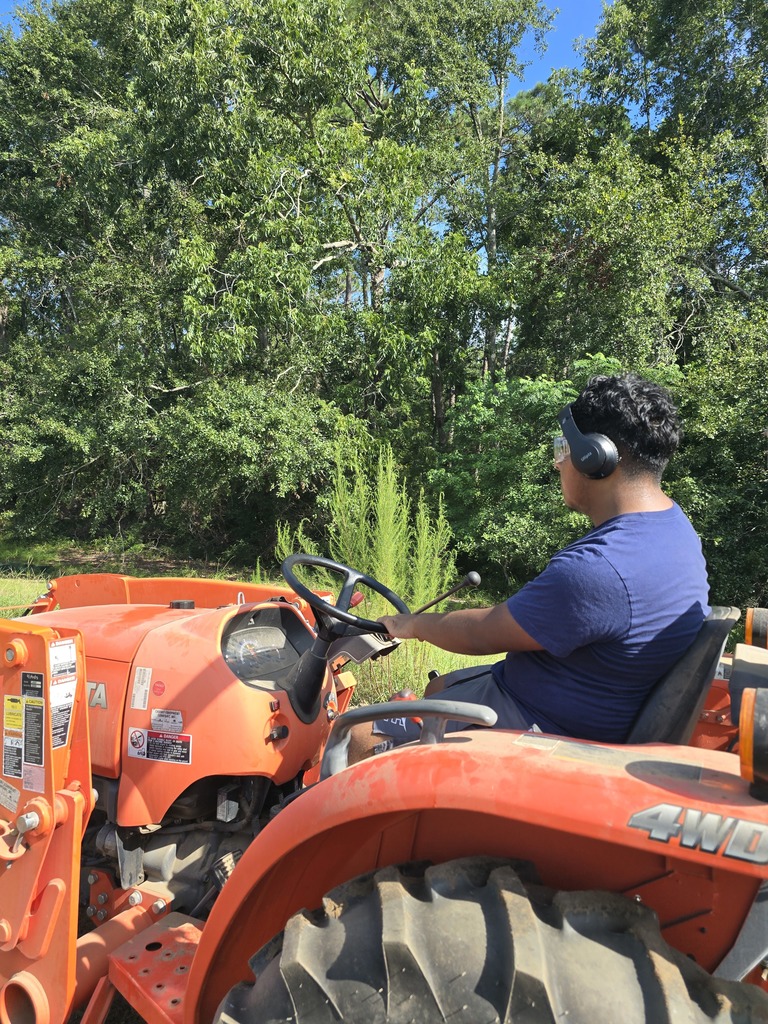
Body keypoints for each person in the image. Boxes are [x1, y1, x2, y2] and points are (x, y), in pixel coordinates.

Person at [348, 373, 710, 761]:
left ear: (594, 457)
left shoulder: (600, 568)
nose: (558, 465)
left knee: (354, 732)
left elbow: (483, 634)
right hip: (569, 706)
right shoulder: (675, 529)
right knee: (439, 690)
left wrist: (413, 625)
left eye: (563, 450)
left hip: (543, 733)